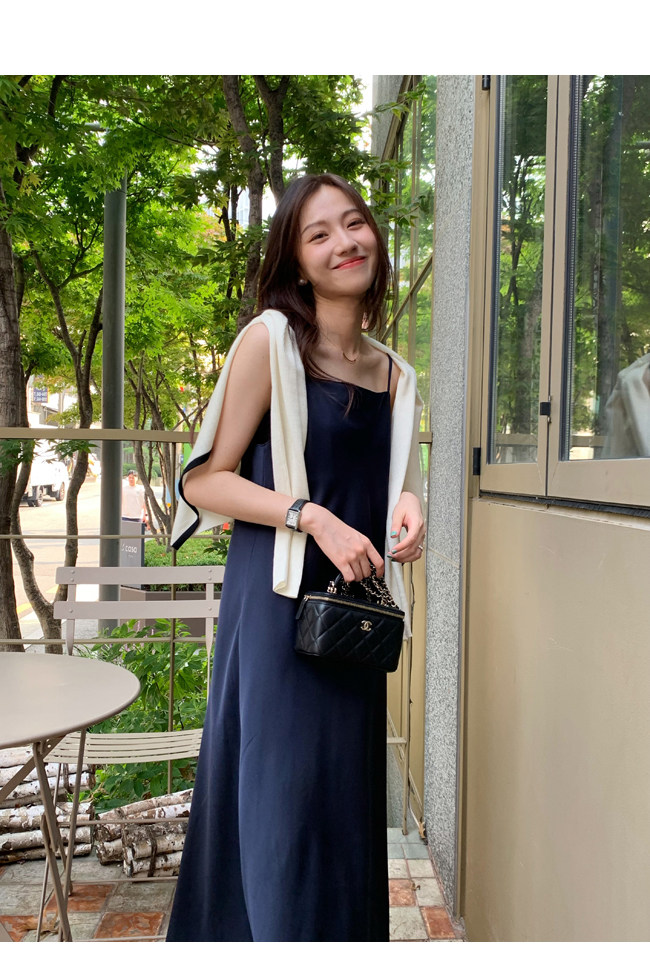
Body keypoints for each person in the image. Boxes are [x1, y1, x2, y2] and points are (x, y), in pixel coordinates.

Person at [166, 173, 425, 942]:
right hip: (277, 621)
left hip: (351, 624)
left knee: (340, 816)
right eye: (319, 234)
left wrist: (410, 511)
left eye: (354, 223)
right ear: (297, 261)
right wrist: (310, 517)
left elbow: (391, 487)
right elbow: (203, 481)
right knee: (280, 814)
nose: (345, 242)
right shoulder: (271, 342)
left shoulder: (396, 374)